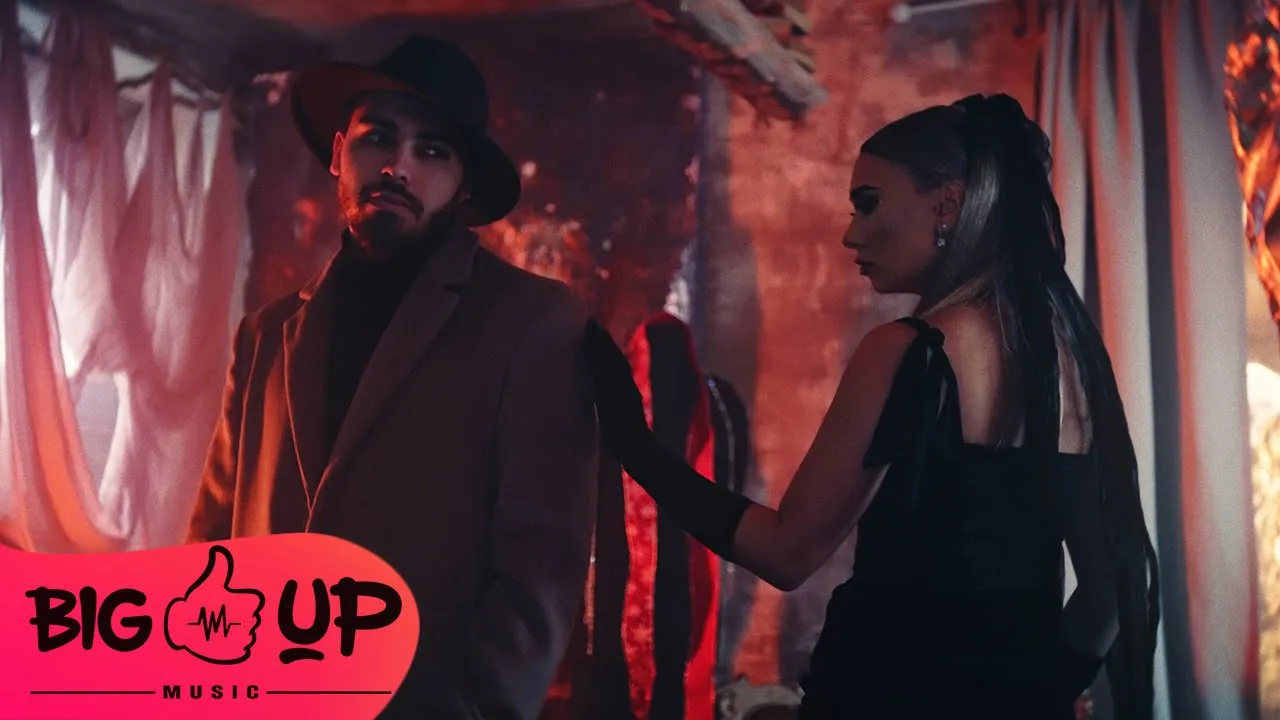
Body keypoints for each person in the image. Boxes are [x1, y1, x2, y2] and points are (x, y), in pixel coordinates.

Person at [584, 94, 1160, 719]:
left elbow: (786, 553)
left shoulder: (907, 351)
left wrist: (635, 446)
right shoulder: (1068, 366)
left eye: (869, 203)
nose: (850, 233)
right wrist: (1026, 697)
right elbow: (1108, 596)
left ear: (947, 203)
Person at [185, 36, 600, 720]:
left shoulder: (532, 322)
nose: (397, 166)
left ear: (463, 183)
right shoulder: (266, 333)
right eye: (378, 138)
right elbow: (211, 543)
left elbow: (541, 571)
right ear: (338, 153)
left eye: (432, 151)